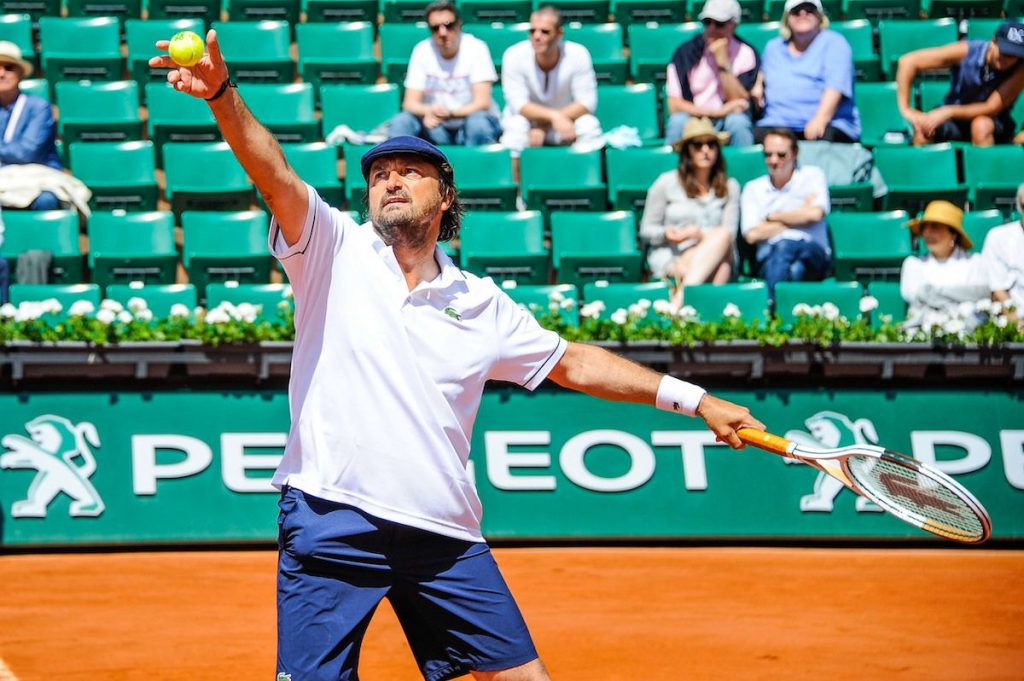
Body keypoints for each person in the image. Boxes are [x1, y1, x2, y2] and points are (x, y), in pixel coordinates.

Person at [150, 30, 764, 681]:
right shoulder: (331, 250)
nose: (389, 179)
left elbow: (572, 363)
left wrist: (695, 399)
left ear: (446, 198)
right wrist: (221, 94)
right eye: (379, 174)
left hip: (442, 532)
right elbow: (271, 172)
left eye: (408, 171)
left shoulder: (481, 301)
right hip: (330, 517)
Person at [640, 117, 738, 307]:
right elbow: (646, 230)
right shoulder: (665, 183)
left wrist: (700, 235)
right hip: (674, 257)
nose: (705, 150)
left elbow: (730, 234)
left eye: (711, 144)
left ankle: (677, 304)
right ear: (687, 151)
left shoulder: (730, 186)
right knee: (720, 263)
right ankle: (708, 320)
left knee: (722, 239)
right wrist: (666, 234)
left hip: (714, 256)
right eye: (697, 145)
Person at [499, 5, 603, 166]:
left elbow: (587, 102)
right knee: (515, 128)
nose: (537, 36)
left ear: (559, 33)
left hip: (565, 123)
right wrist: (553, 118)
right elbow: (519, 105)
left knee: (590, 126)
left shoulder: (578, 54)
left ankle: (584, 184)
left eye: (544, 31)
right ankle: (518, 190)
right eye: (532, 31)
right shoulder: (513, 55)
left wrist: (548, 124)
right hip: (530, 124)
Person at [387, 1, 502, 146]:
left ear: (459, 25)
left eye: (448, 25)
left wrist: (449, 113)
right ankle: (396, 166)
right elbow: (409, 103)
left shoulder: (476, 48)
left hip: (471, 123)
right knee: (401, 121)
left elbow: (482, 103)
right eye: (435, 28)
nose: (442, 32)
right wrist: (430, 111)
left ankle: (480, 167)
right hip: (435, 127)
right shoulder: (422, 50)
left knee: (477, 123)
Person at [896, 20, 1024, 146]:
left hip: (993, 120)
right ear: (993, 42)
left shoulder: (1020, 69)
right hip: (954, 119)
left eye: (1013, 55)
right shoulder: (966, 50)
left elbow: (990, 108)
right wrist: (906, 109)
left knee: (981, 125)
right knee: (924, 129)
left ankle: (984, 167)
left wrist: (947, 111)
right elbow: (907, 62)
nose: (1007, 59)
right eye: (1004, 52)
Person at [740, 127, 831, 300]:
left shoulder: (813, 175)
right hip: (771, 259)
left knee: (785, 244)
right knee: (795, 269)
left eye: (781, 155)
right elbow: (752, 234)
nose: (774, 160)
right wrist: (799, 215)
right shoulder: (754, 188)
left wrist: (772, 217)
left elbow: (816, 214)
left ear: (795, 153)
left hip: (813, 253)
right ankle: (788, 313)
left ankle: (772, 306)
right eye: (768, 155)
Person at [754, 0, 860, 143]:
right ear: (787, 18)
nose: (802, 14)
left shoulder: (835, 43)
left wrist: (820, 119)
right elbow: (763, 76)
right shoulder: (773, 48)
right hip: (777, 125)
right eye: (796, 11)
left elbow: (835, 87)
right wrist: (758, 85)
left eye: (809, 9)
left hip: (825, 125)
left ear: (820, 16)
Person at [664, 0, 762, 147]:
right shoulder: (684, 53)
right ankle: (670, 168)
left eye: (719, 24)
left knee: (739, 122)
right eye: (707, 22)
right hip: (694, 117)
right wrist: (715, 113)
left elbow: (740, 103)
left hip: (728, 119)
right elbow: (674, 105)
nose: (711, 29)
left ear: (734, 25)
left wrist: (723, 65)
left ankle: (745, 168)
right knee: (677, 122)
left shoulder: (746, 53)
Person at [900, 200, 989, 333]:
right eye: (925, 227)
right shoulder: (912, 264)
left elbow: (982, 295)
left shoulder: (975, 262)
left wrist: (933, 293)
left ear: (953, 234)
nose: (928, 233)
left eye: (935, 226)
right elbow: (913, 295)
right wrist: (960, 297)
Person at [0, 41, 63, 210]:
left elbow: (25, 153)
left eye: (9, 68)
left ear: (20, 74)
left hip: (36, 178)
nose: (1, 73)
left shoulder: (38, 107)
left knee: (46, 200)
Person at [981, 182, 1024, 329]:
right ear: (1019, 206)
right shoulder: (999, 237)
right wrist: (1018, 325)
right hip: (1014, 324)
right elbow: (997, 290)